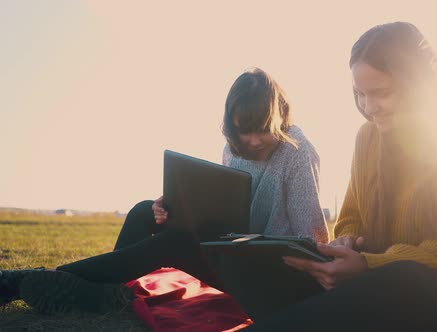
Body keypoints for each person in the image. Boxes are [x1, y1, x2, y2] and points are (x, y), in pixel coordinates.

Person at [242, 22, 437, 331]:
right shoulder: (368, 138)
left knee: (405, 278)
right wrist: (347, 243)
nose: (369, 108)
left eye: (381, 93)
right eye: (360, 94)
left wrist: (370, 264)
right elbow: (351, 216)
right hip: (388, 296)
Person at [0, 68, 328, 313]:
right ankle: (106, 295)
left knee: (173, 243)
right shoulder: (233, 149)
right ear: (232, 126)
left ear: (279, 117)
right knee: (146, 210)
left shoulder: (298, 152)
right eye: (245, 132)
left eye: (262, 131)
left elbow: (312, 239)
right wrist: (176, 207)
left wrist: (254, 250)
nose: (253, 141)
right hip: (231, 250)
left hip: (268, 273)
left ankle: (30, 280)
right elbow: (226, 207)